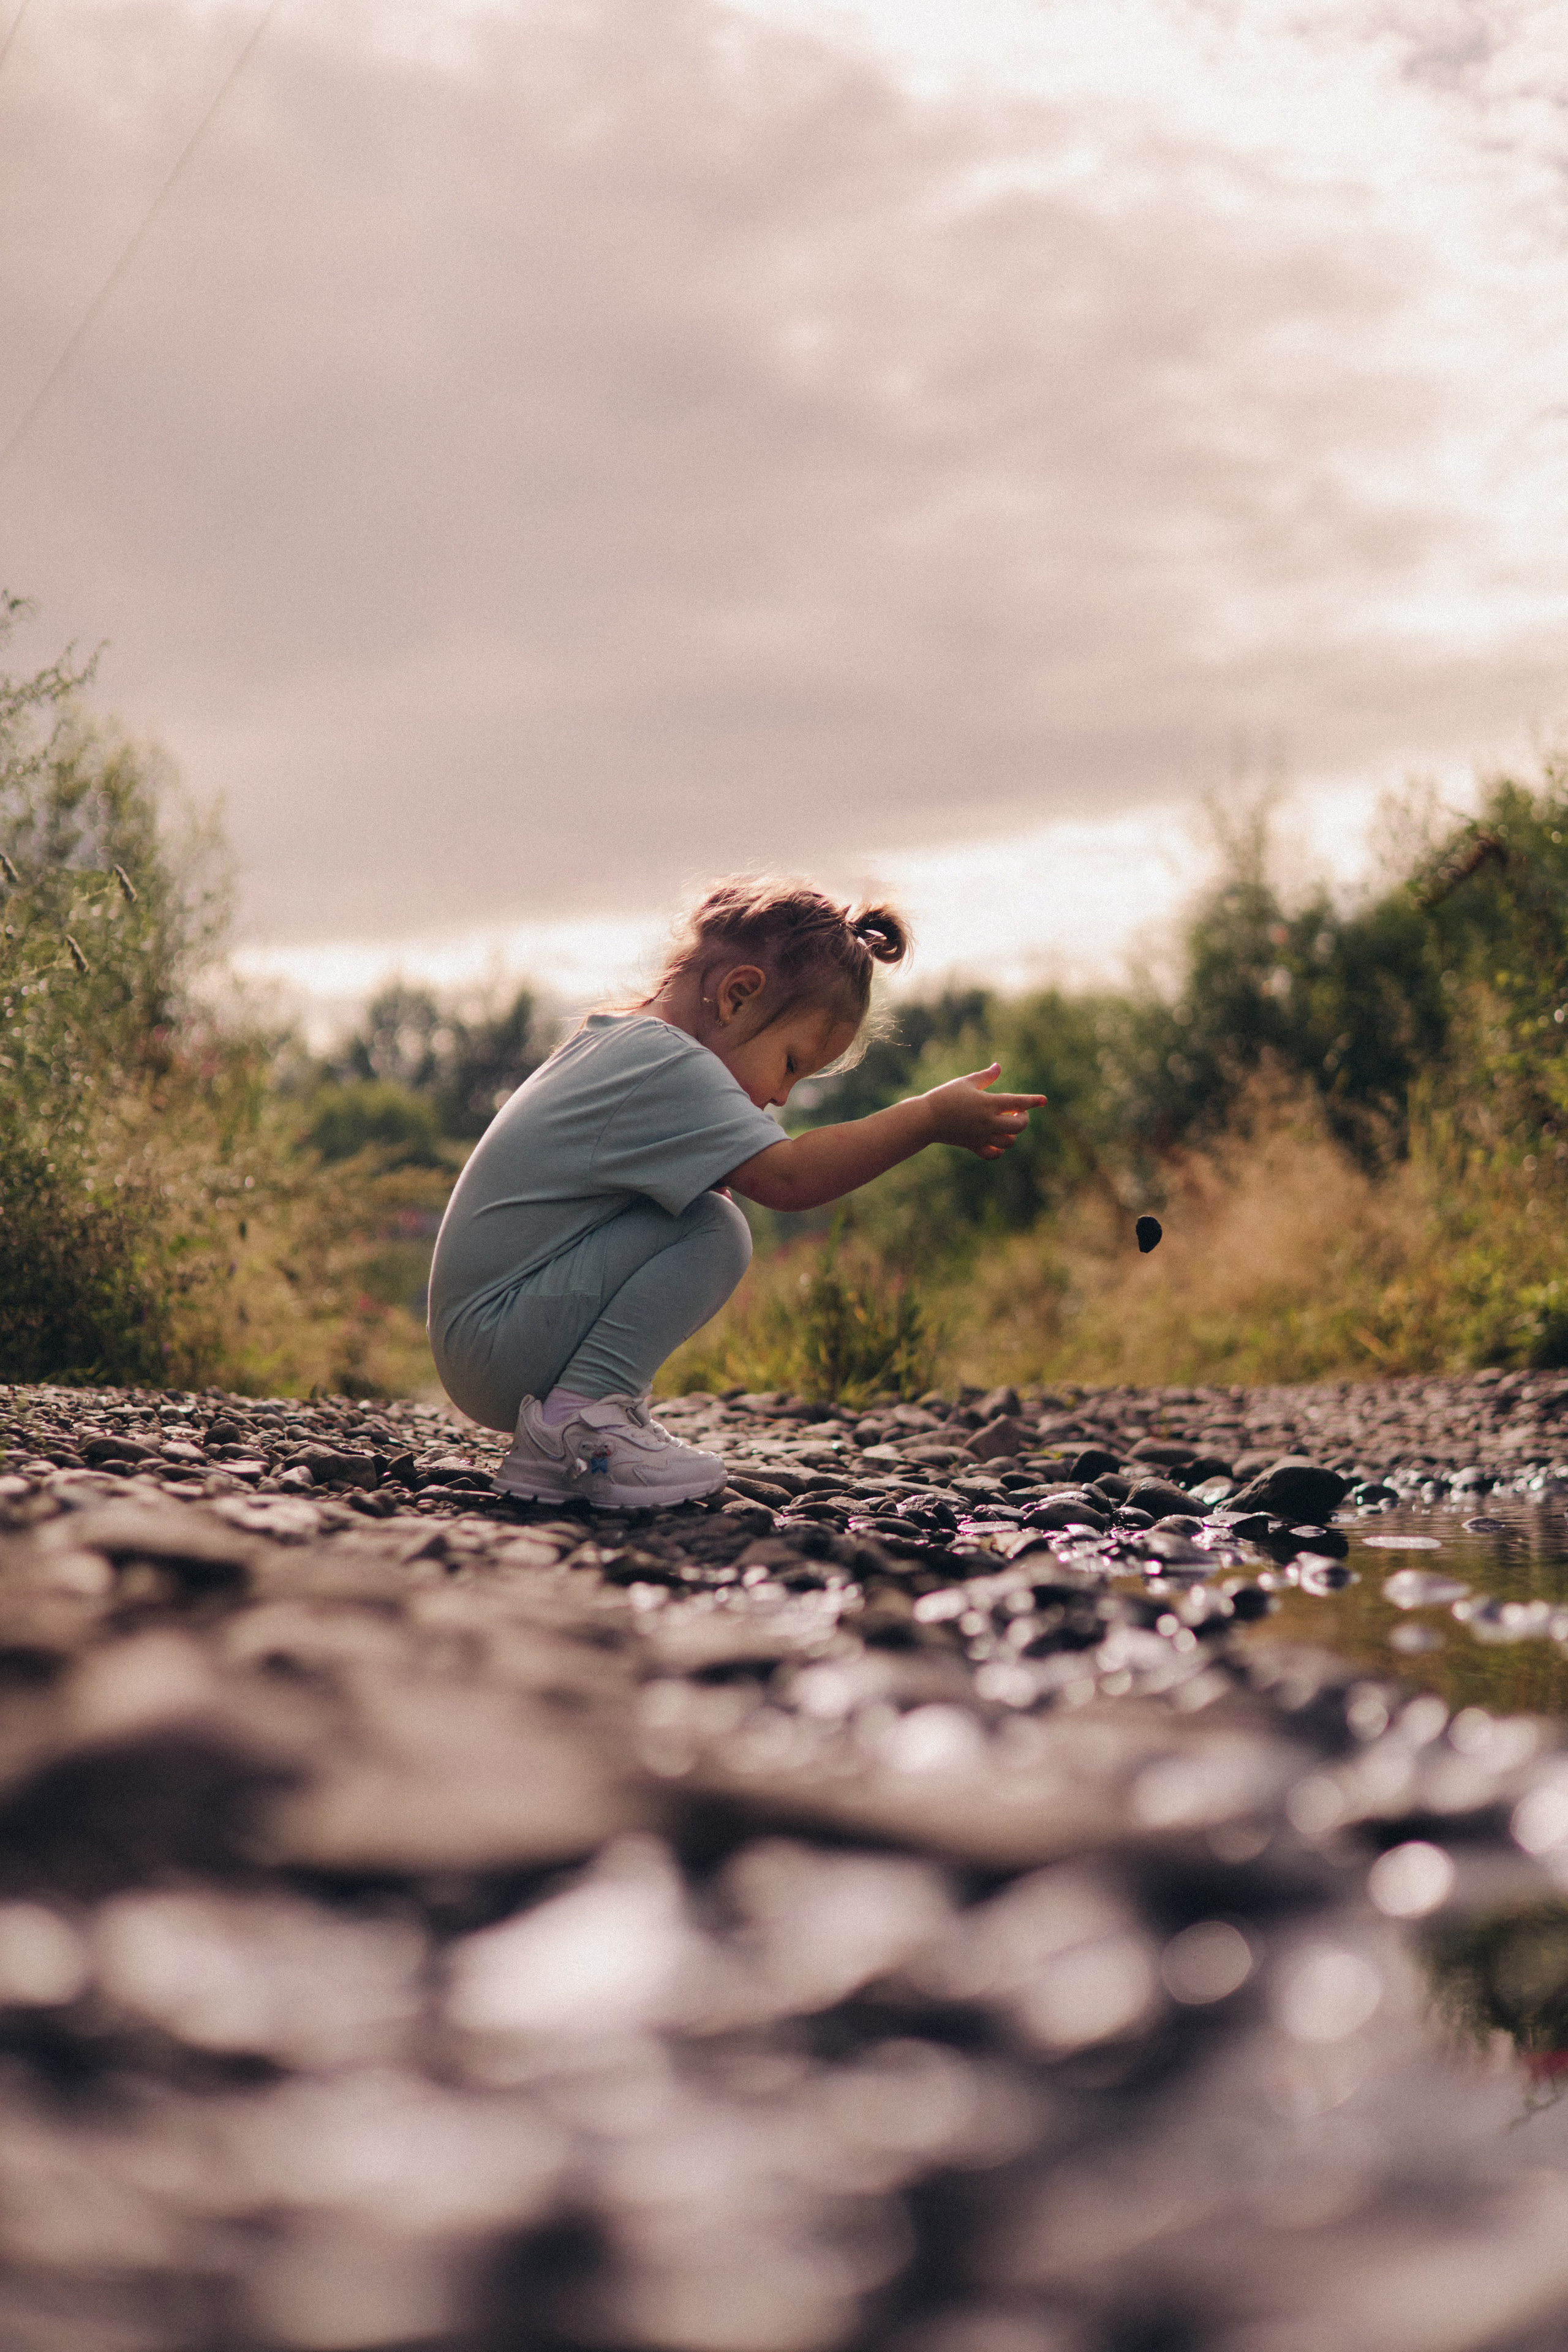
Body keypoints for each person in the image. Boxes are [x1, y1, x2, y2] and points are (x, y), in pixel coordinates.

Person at [427, 876, 1045, 1509]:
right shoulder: (668, 1062)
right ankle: (579, 1430)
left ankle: (579, 1424)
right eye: (790, 1063)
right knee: (712, 1229)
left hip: (489, 1338)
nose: (782, 1096)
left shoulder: (630, 1045)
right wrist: (926, 1120)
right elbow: (790, 1178)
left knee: (700, 1209)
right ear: (737, 997)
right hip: (499, 1340)